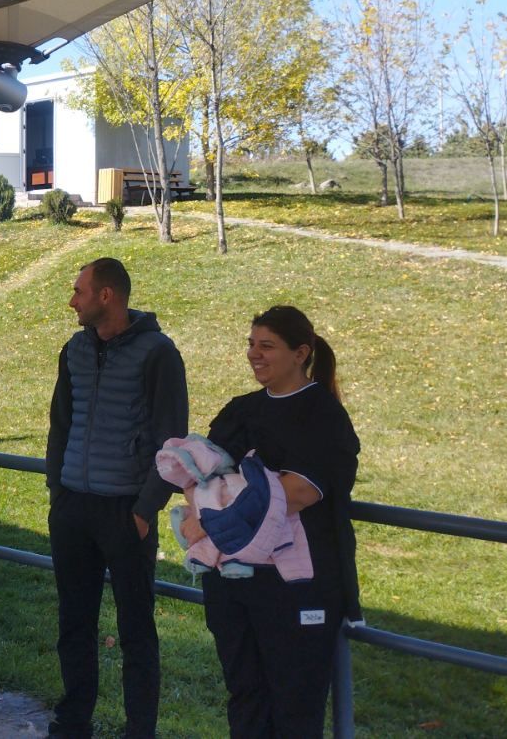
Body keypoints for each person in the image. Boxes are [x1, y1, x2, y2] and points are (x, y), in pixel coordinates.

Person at [186, 306, 360, 738]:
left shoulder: (324, 416)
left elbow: (295, 493)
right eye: (250, 344)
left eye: (267, 346)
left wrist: (211, 518)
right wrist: (203, 511)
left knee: (294, 709)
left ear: (301, 353)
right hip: (234, 584)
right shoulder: (240, 411)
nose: (254, 354)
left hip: (298, 589)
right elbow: (198, 475)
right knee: (246, 699)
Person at [45, 257, 187, 739]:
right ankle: (73, 722)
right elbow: (60, 424)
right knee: (74, 623)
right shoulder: (74, 350)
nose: (72, 301)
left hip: (126, 512)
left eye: (79, 291)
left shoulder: (158, 353)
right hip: (74, 510)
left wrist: (145, 512)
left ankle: (139, 731)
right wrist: (57, 493)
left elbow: (172, 438)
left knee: (136, 632)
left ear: (107, 296)